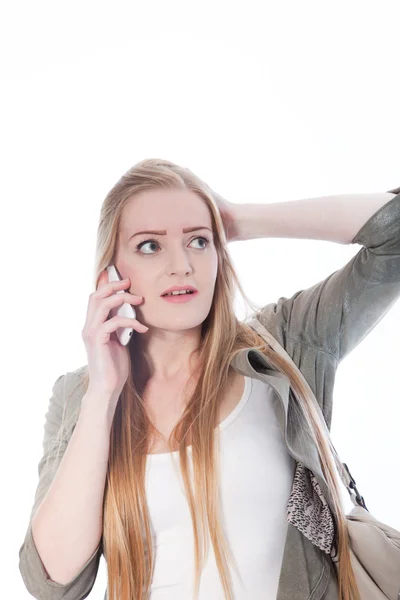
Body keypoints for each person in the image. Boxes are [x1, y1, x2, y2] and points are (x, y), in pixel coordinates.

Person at [18, 160, 400, 600]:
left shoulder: (281, 345)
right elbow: (51, 579)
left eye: (199, 241)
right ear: (111, 272)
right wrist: (104, 392)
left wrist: (237, 220)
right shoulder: (79, 396)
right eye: (149, 246)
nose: (181, 265)